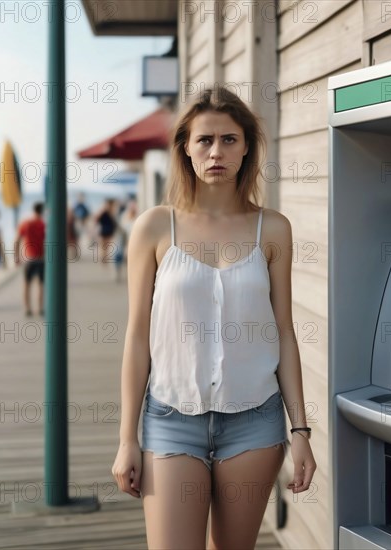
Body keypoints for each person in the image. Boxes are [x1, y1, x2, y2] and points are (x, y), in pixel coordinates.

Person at [111, 87, 317, 549]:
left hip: (254, 422)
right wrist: (128, 439)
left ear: (246, 147)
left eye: (229, 139)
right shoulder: (154, 227)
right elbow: (137, 336)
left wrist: (299, 431)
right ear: (185, 147)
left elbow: (283, 331)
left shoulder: (274, 229)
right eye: (204, 140)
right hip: (170, 420)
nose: (216, 151)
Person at [14, 201, 45, 316]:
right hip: (41, 258)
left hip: (28, 258)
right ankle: (40, 308)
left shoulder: (25, 223)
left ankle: (27, 309)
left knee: (26, 284)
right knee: (41, 285)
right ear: (42, 211)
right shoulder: (43, 224)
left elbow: (17, 240)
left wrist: (16, 257)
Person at [114, 197, 137, 283]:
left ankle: (130, 275)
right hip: (123, 239)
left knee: (130, 259)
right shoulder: (124, 216)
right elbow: (120, 229)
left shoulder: (138, 217)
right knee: (119, 255)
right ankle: (118, 273)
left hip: (133, 240)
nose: (132, 208)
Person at [94, 198, 118, 265]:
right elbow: (96, 219)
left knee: (106, 246)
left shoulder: (111, 212)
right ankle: (104, 259)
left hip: (108, 230)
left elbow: (114, 223)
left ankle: (105, 259)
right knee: (104, 246)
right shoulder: (104, 212)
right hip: (104, 230)